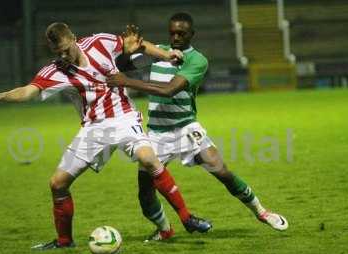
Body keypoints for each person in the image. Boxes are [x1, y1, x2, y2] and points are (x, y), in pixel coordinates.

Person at [0, 22, 212, 250]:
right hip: (93, 128)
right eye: (58, 52)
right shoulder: (55, 70)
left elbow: (138, 44)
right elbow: (28, 91)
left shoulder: (100, 42)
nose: (64, 56)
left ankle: (185, 218)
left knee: (150, 160)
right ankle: (64, 242)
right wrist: (1, 96)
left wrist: (167, 55)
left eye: (66, 50)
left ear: (74, 39)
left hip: (124, 118)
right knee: (57, 184)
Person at [107, 12, 288, 238]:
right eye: (172, 33)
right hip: (156, 134)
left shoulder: (197, 60)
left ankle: (261, 212)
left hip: (186, 129)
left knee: (221, 171)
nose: (176, 38)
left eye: (181, 33)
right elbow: (123, 66)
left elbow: (169, 89)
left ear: (192, 34)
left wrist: (128, 82)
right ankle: (164, 230)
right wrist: (128, 51)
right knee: (145, 194)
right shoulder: (158, 53)